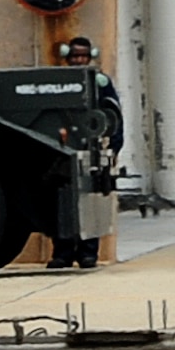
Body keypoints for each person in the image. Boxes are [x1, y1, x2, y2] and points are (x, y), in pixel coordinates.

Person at [46, 36, 120, 270]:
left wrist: (114, 147)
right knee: (61, 203)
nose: (79, 60)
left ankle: (89, 253)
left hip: (92, 149)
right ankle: (62, 252)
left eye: (83, 56)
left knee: (91, 201)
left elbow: (113, 112)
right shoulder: (57, 82)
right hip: (63, 150)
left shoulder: (101, 83)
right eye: (75, 56)